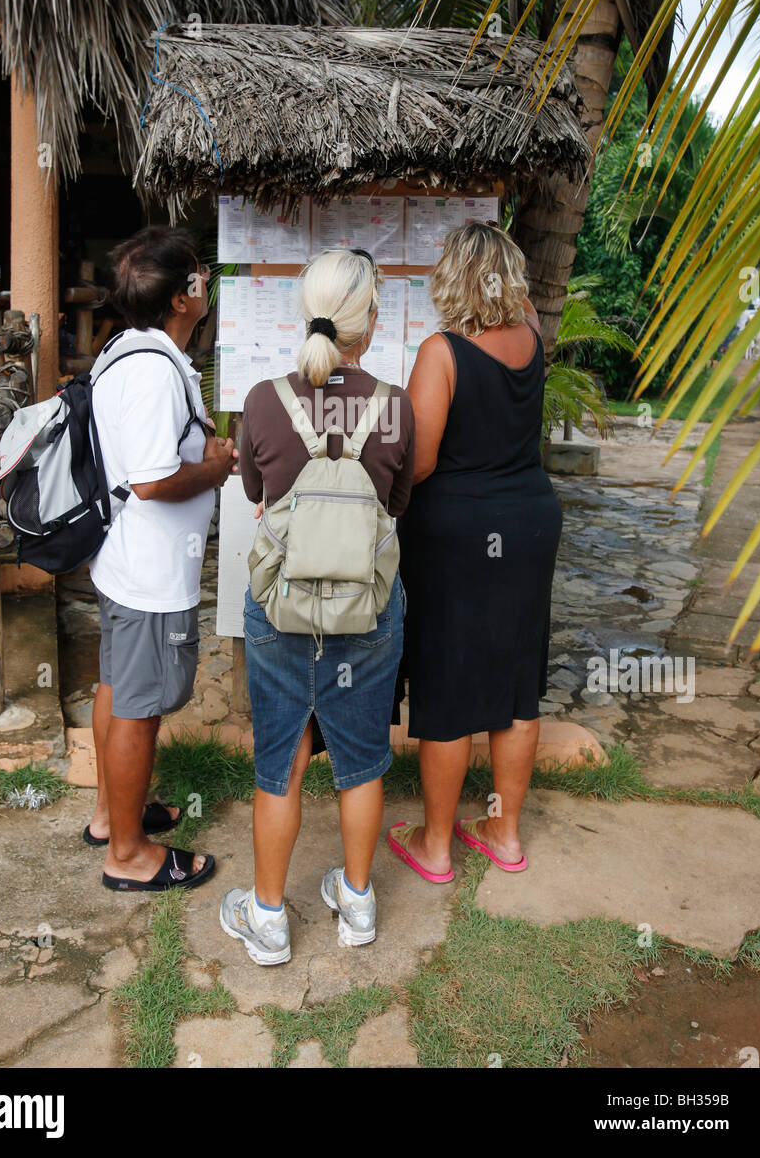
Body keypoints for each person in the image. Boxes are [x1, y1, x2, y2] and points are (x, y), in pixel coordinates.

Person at [220, 248, 414, 966]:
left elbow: (253, 493)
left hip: (281, 610)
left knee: (282, 760)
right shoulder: (395, 406)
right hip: (368, 605)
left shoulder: (265, 401)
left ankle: (267, 918)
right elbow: (396, 507)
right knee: (362, 760)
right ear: (371, 321)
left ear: (307, 311)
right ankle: (357, 904)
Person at [388, 221, 562, 882]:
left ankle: (435, 844)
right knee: (519, 681)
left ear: (453, 278)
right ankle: (504, 832)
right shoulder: (532, 338)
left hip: (457, 532)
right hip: (530, 520)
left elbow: (422, 461)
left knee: (449, 681)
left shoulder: (443, 351)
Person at [85, 226, 238, 892]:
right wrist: (220, 467)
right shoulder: (151, 371)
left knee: (120, 689)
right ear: (182, 297)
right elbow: (150, 480)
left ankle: (108, 814)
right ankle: (128, 853)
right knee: (139, 709)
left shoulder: (128, 348)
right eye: (199, 276)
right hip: (148, 571)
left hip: (124, 560)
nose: (206, 283)